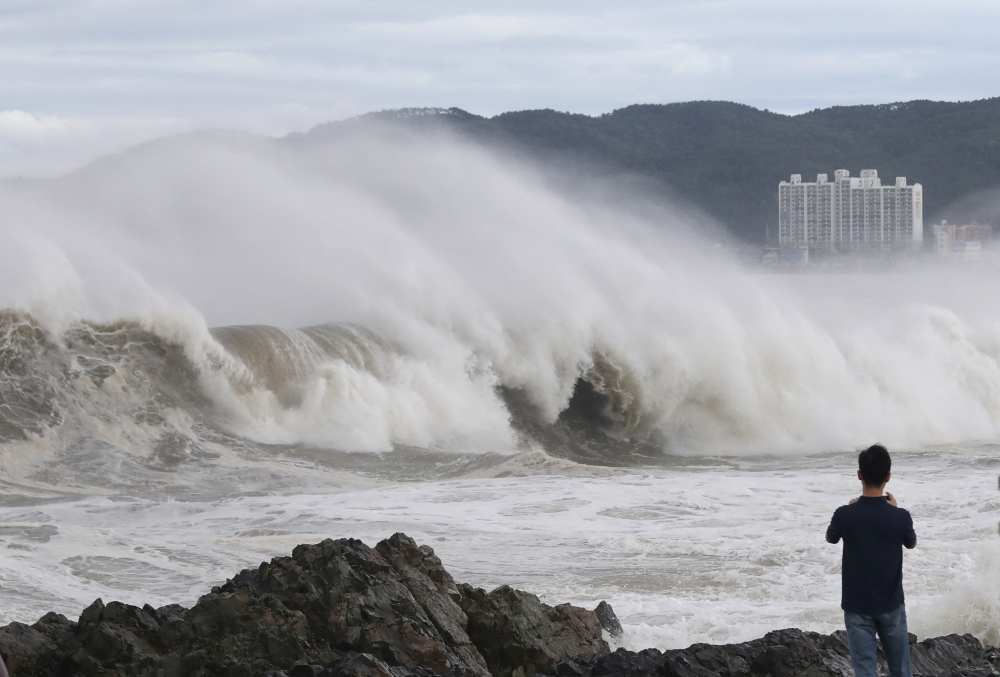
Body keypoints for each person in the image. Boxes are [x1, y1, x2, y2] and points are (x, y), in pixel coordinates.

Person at [826, 444, 917, 677]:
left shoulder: (845, 514)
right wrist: (894, 510)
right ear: (888, 477)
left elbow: (831, 537)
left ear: (859, 476)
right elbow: (911, 543)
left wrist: (850, 509)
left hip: (857, 605)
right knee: (901, 670)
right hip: (892, 604)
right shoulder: (900, 516)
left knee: (865, 671)